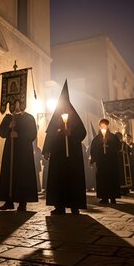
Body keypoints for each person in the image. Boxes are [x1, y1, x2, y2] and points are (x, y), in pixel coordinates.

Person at [42, 80, 87, 215]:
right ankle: (59, 206)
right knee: (58, 179)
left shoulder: (75, 117)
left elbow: (82, 133)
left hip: (72, 155)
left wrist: (71, 133)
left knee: (73, 179)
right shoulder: (55, 118)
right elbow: (49, 134)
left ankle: (75, 206)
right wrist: (46, 150)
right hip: (58, 155)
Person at [0, 101, 38, 211]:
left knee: (22, 175)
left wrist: (19, 135)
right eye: (14, 103)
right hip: (10, 149)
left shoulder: (29, 118)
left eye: (18, 103)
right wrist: (8, 128)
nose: (16, 106)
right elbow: (0, 132)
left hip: (23, 152)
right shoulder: (8, 118)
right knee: (9, 174)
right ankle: (8, 201)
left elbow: (32, 134)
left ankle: (22, 202)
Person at [90, 120, 121, 204]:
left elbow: (118, 147)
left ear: (107, 126)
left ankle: (113, 197)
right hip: (102, 163)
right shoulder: (96, 139)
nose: (103, 127)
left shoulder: (113, 137)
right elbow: (93, 149)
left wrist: (108, 145)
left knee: (112, 179)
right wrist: (93, 159)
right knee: (102, 179)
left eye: (105, 125)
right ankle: (104, 197)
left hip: (111, 162)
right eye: (102, 125)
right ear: (99, 126)